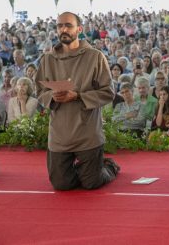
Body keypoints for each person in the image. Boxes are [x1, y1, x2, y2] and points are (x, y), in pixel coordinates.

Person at [35, 12, 119, 191]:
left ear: (79, 29)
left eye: (68, 25)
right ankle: (87, 168)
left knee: (92, 183)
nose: (63, 29)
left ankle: (109, 165)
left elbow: (108, 92)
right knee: (61, 184)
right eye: (59, 26)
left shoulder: (95, 56)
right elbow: (40, 91)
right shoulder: (47, 59)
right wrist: (51, 96)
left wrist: (78, 96)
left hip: (87, 132)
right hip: (59, 134)